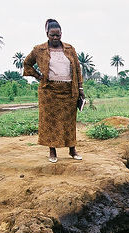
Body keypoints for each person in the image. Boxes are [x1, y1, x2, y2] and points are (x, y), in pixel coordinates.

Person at [23, 19, 84, 163]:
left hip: (69, 91)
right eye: (52, 35)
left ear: (61, 34)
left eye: (58, 35)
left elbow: (77, 69)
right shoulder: (39, 50)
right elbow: (27, 63)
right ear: (47, 34)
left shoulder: (70, 49)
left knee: (69, 121)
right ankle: (52, 151)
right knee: (50, 122)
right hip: (49, 91)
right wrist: (38, 76)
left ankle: (72, 150)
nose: (55, 38)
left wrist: (80, 88)